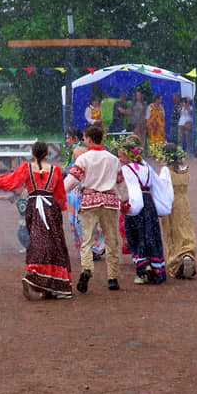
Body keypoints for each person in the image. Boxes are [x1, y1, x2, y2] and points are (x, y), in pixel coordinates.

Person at [0, 142, 73, 299]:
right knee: (55, 243)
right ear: (47, 154)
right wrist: (58, 209)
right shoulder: (55, 170)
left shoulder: (26, 168)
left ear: (32, 154)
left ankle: (36, 274)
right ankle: (53, 283)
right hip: (51, 207)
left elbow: (11, 181)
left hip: (34, 206)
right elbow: (60, 195)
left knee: (36, 241)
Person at [64, 125, 130, 293]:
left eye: (85, 138)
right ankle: (112, 277)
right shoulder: (113, 159)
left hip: (89, 201)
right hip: (109, 201)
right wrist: (125, 201)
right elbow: (121, 183)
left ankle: (87, 269)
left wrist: (58, 191)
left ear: (89, 139)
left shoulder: (83, 159)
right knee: (111, 240)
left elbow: (72, 180)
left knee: (87, 240)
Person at [118, 140, 171, 285]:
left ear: (128, 157)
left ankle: (142, 269)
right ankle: (156, 269)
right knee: (151, 235)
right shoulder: (147, 167)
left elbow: (126, 189)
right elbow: (157, 187)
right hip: (149, 203)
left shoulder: (126, 169)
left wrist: (125, 204)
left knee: (135, 235)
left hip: (135, 203)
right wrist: (161, 205)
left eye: (121, 156)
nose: (119, 159)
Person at [64, 127, 106, 262]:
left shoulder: (78, 151)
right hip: (76, 189)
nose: (66, 141)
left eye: (68, 138)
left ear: (75, 139)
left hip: (77, 189)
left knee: (78, 220)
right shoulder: (80, 150)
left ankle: (92, 247)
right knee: (81, 219)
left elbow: (84, 170)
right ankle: (92, 247)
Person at [157, 143, 196, 279]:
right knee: (186, 229)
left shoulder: (166, 170)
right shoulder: (185, 169)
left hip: (172, 203)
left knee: (173, 232)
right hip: (184, 202)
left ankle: (176, 263)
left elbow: (164, 190)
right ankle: (188, 254)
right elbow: (187, 183)